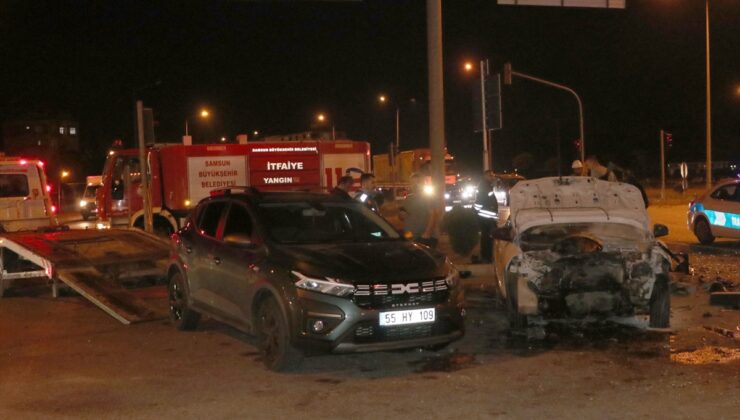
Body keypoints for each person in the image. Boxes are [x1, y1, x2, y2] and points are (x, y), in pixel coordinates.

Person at [399, 173, 438, 248]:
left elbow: (433, 214)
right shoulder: (408, 198)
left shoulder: (428, 197)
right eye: (413, 182)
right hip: (411, 237)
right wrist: (401, 214)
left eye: (417, 182)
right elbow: (401, 216)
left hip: (424, 238)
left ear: (423, 183)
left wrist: (426, 234)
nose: (415, 185)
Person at [474, 170, 498, 263]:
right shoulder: (484, 186)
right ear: (485, 176)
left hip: (487, 217)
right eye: (491, 175)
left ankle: (487, 257)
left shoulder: (487, 185)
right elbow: (480, 200)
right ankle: (486, 257)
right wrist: (475, 211)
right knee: (486, 238)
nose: (493, 177)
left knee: (487, 238)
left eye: (493, 175)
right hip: (486, 218)